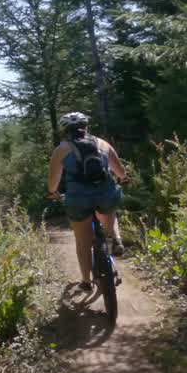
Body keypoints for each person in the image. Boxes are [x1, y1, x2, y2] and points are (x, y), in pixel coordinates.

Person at [46, 112, 128, 293]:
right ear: (86, 127)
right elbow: (120, 172)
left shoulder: (61, 149)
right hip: (106, 194)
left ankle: (86, 281)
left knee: (82, 241)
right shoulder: (102, 144)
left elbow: (52, 183)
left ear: (65, 131)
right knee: (109, 211)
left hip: (78, 199)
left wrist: (52, 192)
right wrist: (123, 179)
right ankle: (116, 239)